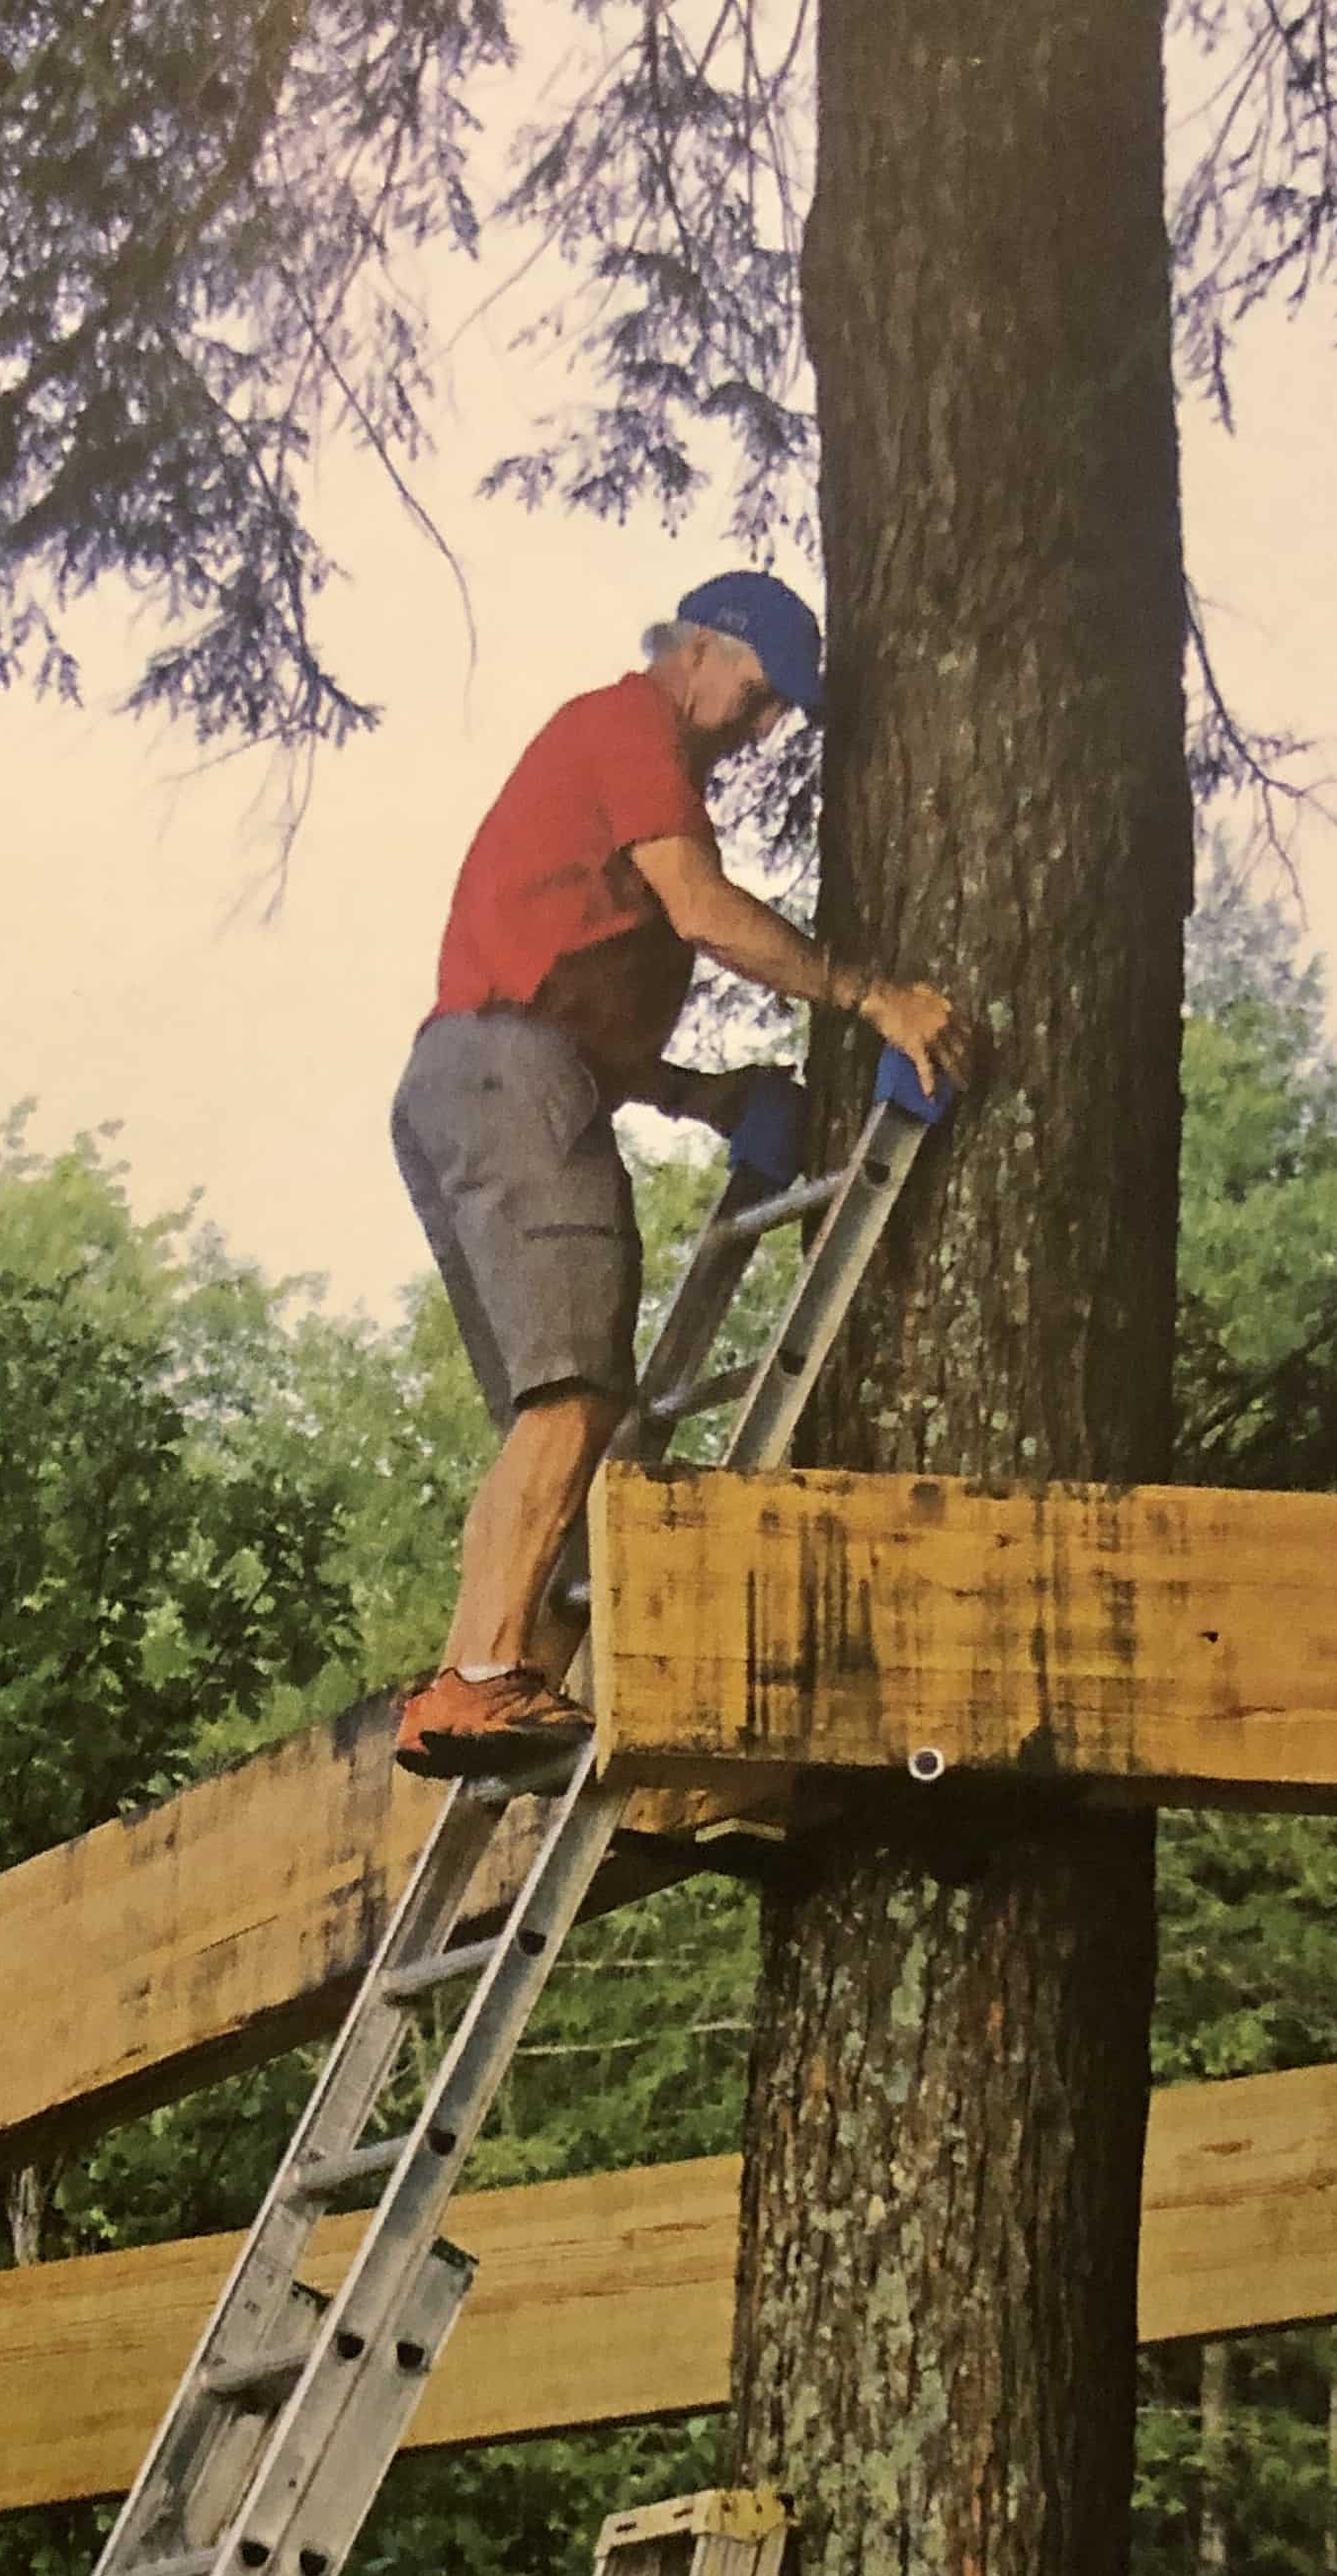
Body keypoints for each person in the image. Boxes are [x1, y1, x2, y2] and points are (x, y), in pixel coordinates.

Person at [389, 570, 973, 1777]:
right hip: (509, 1072)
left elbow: (588, 1012)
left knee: (549, 1413)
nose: (761, 733)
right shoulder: (627, 725)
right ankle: (491, 1678)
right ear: (701, 649)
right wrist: (874, 995)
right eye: (759, 698)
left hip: (473, 1076)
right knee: (575, 1398)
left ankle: (483, 1676)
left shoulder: (612, 758)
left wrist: (705, 1097)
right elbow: (702, 909)